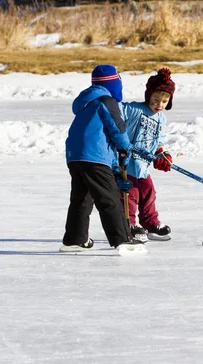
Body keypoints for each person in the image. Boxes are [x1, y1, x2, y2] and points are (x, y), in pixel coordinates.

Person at [60, 64, 144, 253]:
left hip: (75, 156)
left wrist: (115, 167)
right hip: (93, 157)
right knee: (109, 198)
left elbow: (98, 137)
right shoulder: (107, 101)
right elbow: (118, 130)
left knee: (82, 198)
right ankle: (122, 239)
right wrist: (125, 148)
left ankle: (75, 239)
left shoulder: (87, 103)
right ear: (115, 84)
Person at [119, 67, 176, 241]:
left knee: (149, 193)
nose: (159, 105)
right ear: (148, 96)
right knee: (130, 196)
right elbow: (114, 111)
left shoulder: (161, 118)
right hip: (126, 164)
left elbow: (158, 140)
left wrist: (162, 154)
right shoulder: (135, 109)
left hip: (143, 166)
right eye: (156, 99)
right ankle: (128, 225)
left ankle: (150, 224)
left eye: (164, 101)